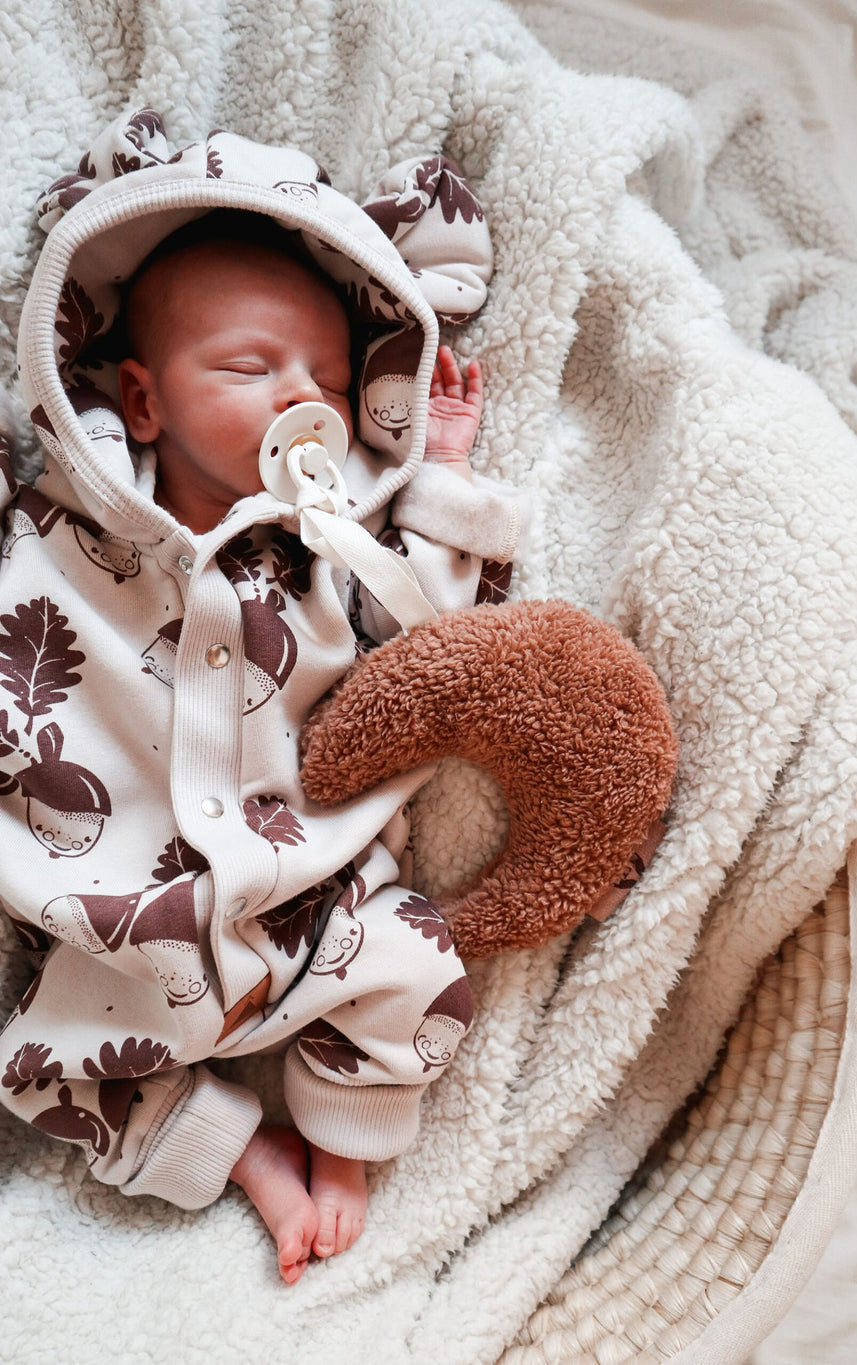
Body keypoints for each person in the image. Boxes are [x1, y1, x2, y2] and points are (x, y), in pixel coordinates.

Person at [0, 111, 525, 1285]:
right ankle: (242, 1155)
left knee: (419, 969)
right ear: (140, 400)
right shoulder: (46, 545)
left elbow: (437, 640)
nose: (306, 398)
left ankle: (344, 1137)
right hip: (115, 916)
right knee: (53, 1069)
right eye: (250, 368)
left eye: (333, 380)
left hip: (314, 901)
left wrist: (436, 466)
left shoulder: (332, 557)